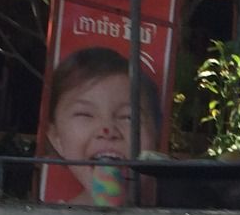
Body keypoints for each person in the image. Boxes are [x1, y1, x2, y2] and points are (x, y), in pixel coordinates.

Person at [40, 46, 165, 206]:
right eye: (85, 114)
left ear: (156, 134)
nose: (107, 130)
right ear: (56, 138)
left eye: (128, 117)